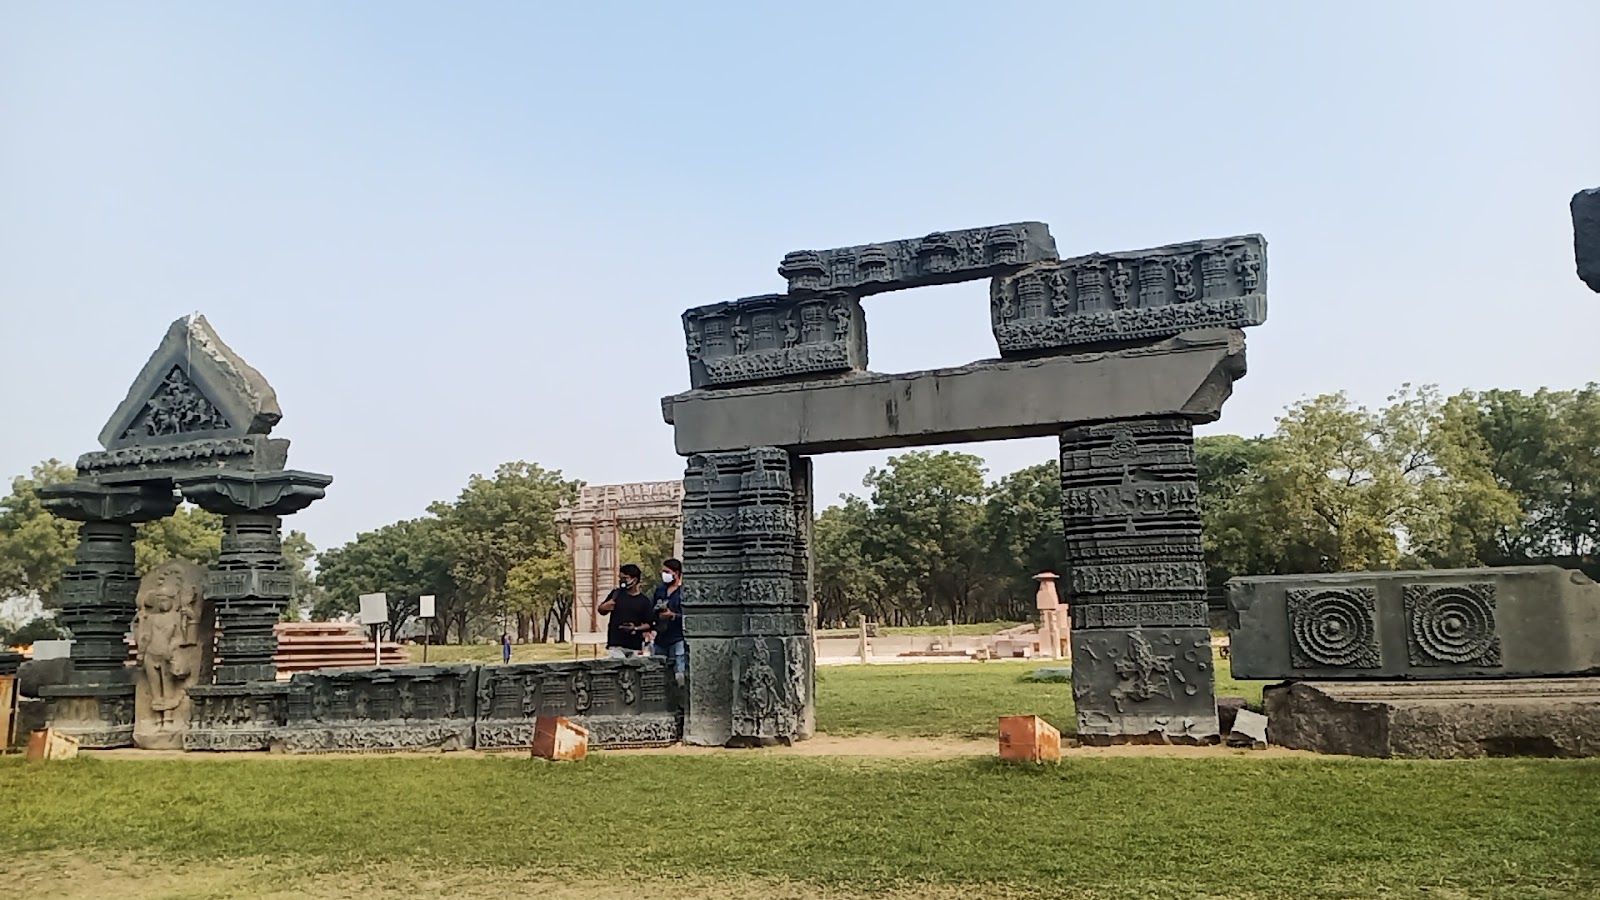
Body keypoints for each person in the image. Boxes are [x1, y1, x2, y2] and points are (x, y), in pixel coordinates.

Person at [598, 564, 655, 658]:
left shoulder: (644, 601)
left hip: (635, 645)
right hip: (616, 644)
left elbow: (649, 624)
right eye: (621, 578)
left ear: (635, 580)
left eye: (625, 578)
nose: (622, 581)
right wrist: (604, 606)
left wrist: (634, 628)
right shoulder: (616, 594)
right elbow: (601, 610)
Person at [652, 558, 686, 686]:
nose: (664, 575)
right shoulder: (660, 590)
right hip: (661, 637)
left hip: (677, 637)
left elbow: (687, 615)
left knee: (679, 669)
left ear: (676, 573)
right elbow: (652, 609)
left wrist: (672, 615)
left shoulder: (683, 592)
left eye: (667, 572)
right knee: (659, 669)